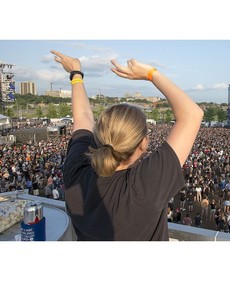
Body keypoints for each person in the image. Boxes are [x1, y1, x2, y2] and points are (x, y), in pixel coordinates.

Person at [51, 50, 203, 240]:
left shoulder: (77, 173)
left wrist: (76, 73)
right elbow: (193, 114)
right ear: (143, 143)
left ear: (97, 137)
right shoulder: (145, 185)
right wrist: (149, 73)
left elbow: (83, 117)